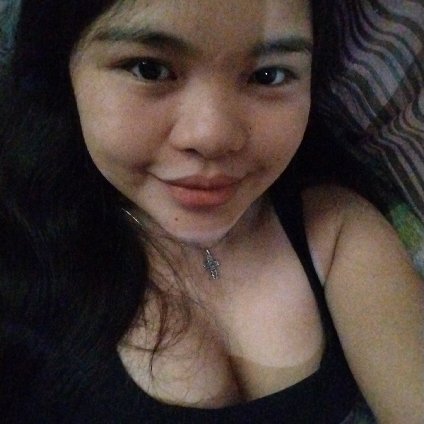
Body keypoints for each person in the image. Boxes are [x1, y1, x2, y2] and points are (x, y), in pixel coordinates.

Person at [0, 0, 422, 423]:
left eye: (269, 75)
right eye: (149, 69)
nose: (213, 137)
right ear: (63, 69)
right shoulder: (20, 260)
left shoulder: (334, 226)